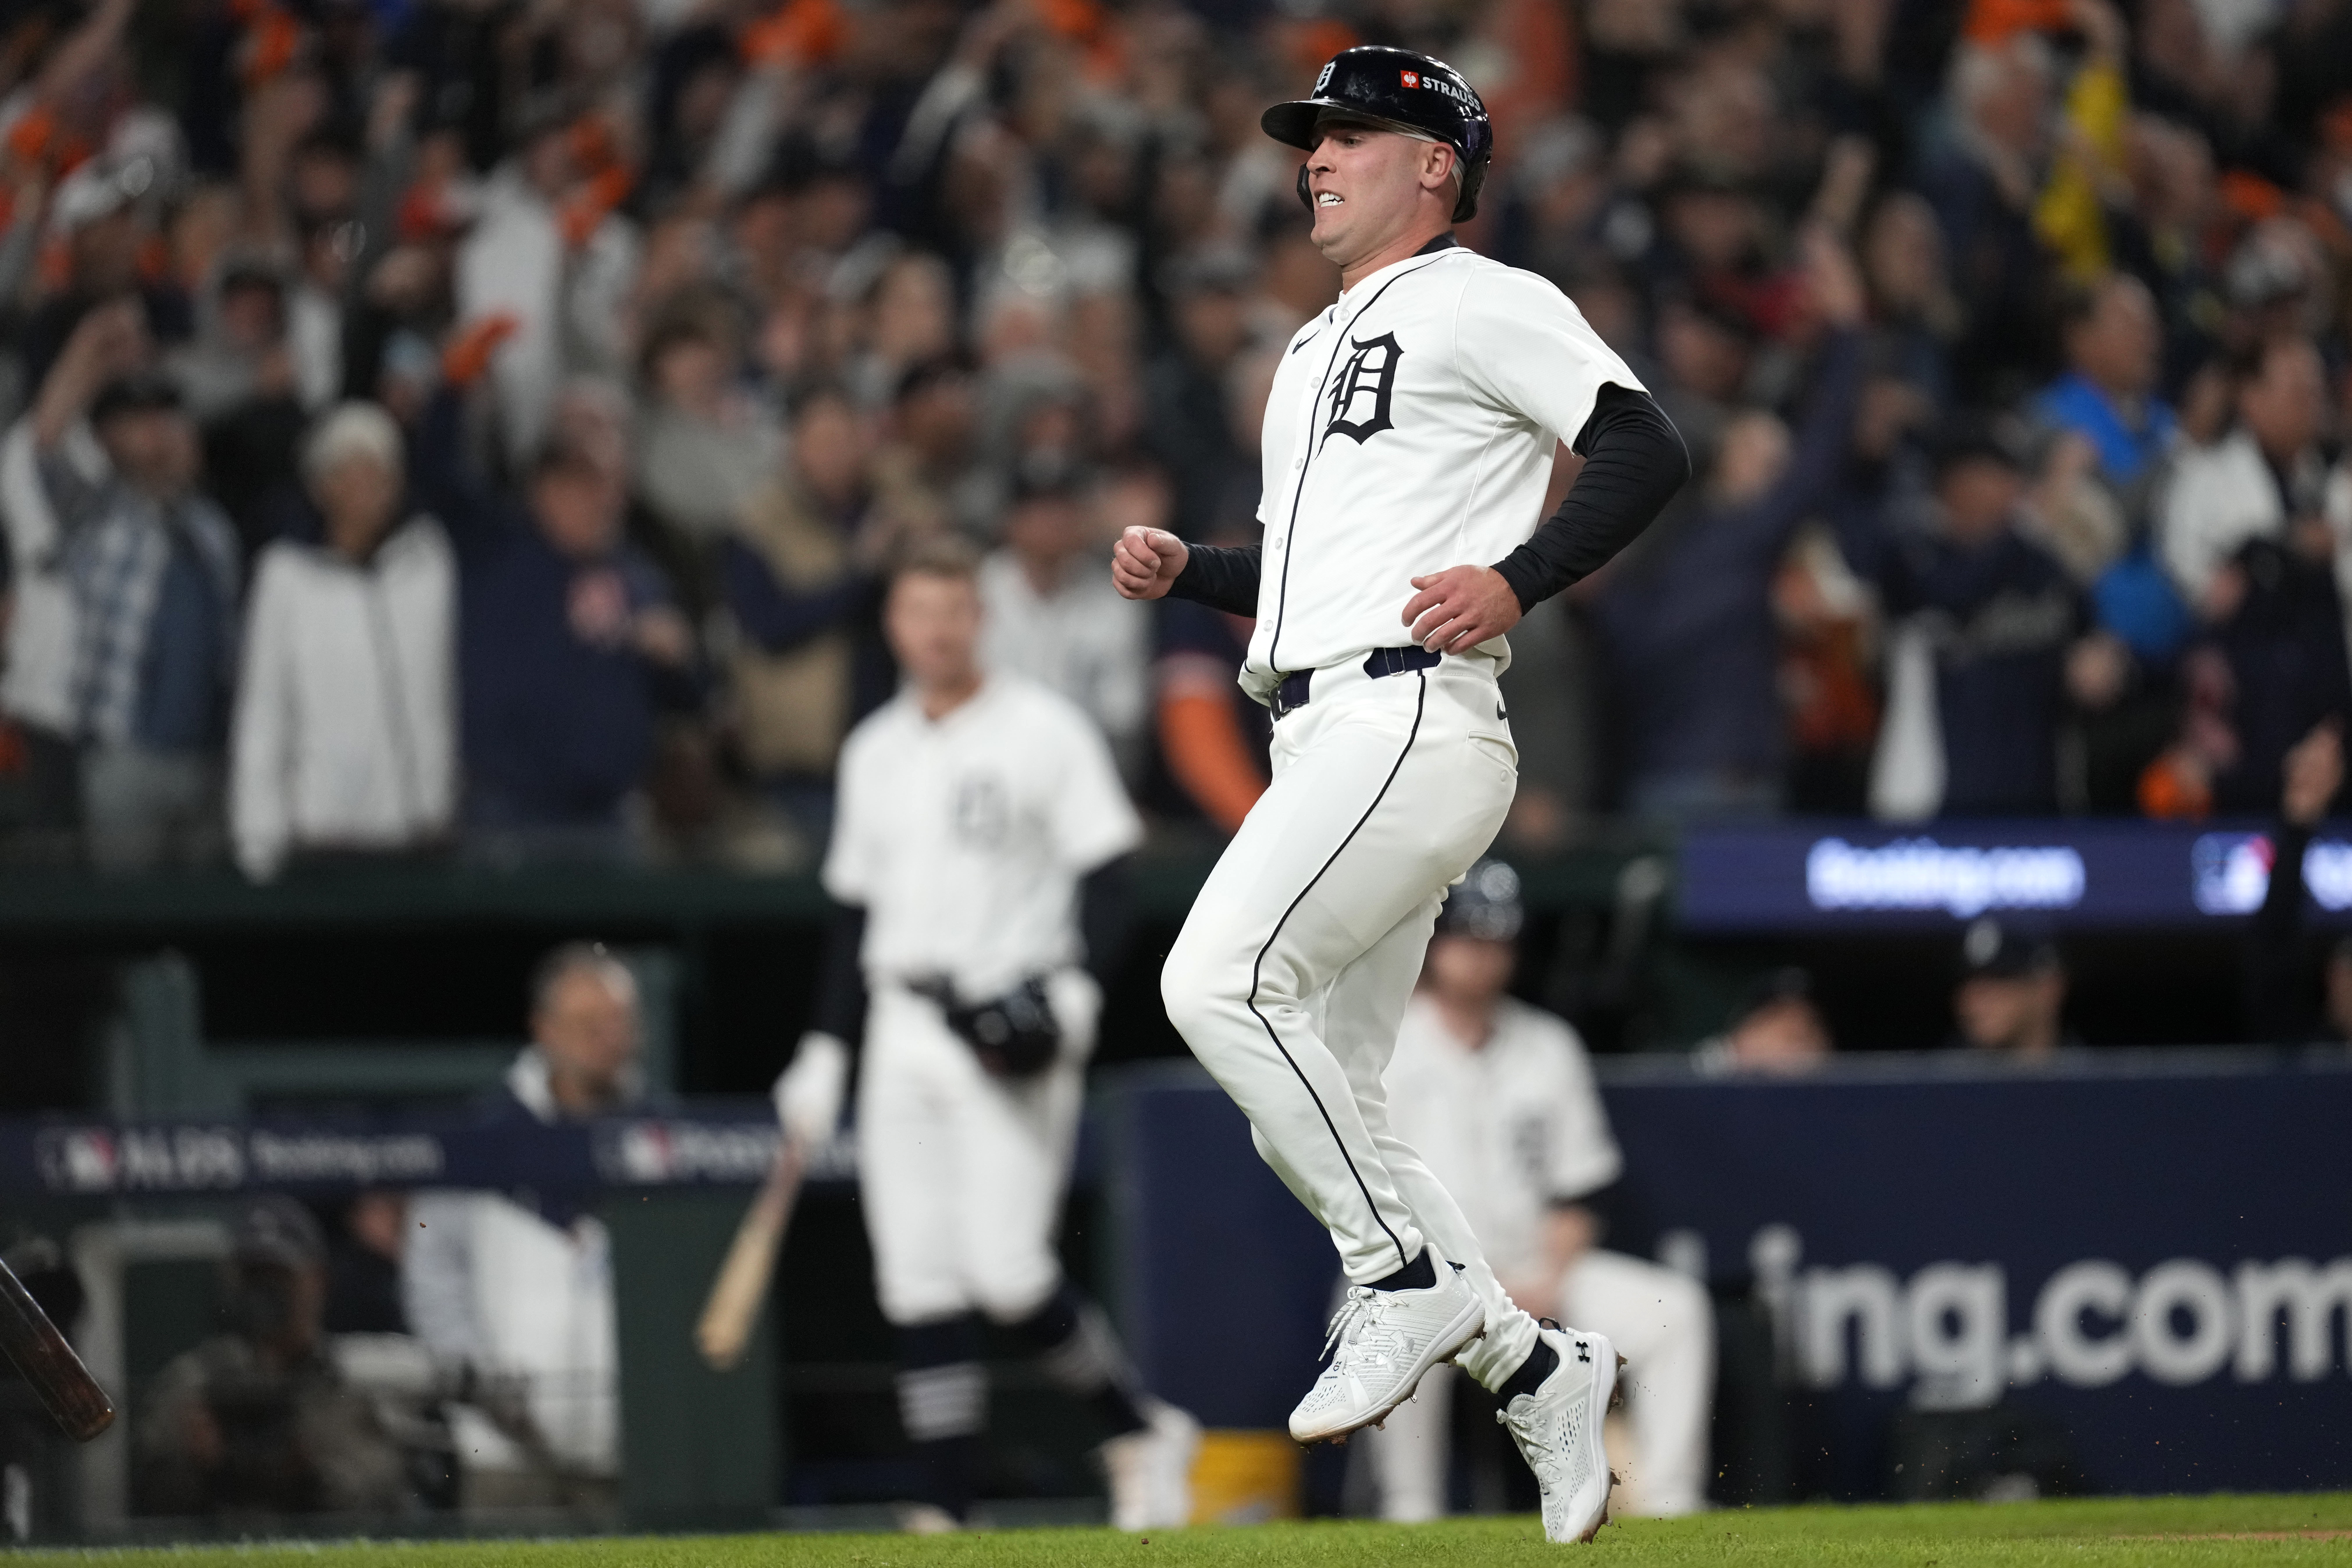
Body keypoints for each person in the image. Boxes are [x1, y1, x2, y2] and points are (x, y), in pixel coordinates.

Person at [1112, 47, 1687, 1544]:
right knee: (1321, 1092)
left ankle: (1408, 1276)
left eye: (1351, 135)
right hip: (1325, 721)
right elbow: (1321, 580)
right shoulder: (1313, 347)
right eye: (1314, 138)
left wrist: (1520, 578)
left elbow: (1644, 443)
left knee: (1219, 981)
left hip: (1412, 719)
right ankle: (1531, 1359)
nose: (1317, 156)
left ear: (1434, 163)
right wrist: (1202, 580)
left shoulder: (1481, 293)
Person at [771, 539, 1195, 1533]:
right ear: (894, 624)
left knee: (1005, 1271)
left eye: (955, 609)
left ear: (981, 617)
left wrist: (1079, 993)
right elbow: (849, 911)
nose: (937, 628)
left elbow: (1110, 875)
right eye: (919, 610)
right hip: (899, 1020)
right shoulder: (873, 746)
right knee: (916, 1274)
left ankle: (1138, 1425)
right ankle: (943, 1505)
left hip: (1008, 1022)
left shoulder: (1043, 730)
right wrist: (823, 1047)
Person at [1366, 861, 1715, 1521]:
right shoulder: (1383, 1046)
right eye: (1468, 938)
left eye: (1497, 941)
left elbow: (1580, 1191)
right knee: (1388, 1315)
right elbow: (1367, 1196)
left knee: (1676, 1310)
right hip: (1430, 1277)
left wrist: (1550, 1277)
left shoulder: (1547, 1046)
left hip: (1535, 1270)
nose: (1482, 956)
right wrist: (1467, 1283)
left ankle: (1671, 1503)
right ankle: (1409, 1511)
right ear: (1433, 944)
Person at [403, 944, 647, 1513]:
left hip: (629, 1448)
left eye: (619, 1023)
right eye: (590, 1024)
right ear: (544, 1029)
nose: (608, 1039)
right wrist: (479, 1381)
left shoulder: (662, 1138)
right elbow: (430, 1267)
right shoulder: (479, 1141)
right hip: (505, 1454)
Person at [9, 304, 241, 871]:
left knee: (204, 926)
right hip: (123, 755)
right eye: (141, 421)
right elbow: (46, 441)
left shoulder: (213, 528)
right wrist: (90, 346)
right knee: (126, 916)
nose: (159, 433)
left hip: (208, 759)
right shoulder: (96, 511)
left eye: (168, 418)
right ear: (109, 438)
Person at [229, 402, 456, 881]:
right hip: (320, 836)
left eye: (382, 472)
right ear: (322, 486)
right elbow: (263, 709)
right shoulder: (287, 578)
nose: (371, 488)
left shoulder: (427, 565)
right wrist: (258, 840)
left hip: (416, 836)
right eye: (355, 472)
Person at [137, 1197, 412, 1518]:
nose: (266, 1291)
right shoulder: (196, 1380)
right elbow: (149, 1496)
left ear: (318, 1280)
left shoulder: (347, 1383)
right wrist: (197, 1462)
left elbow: (384, 1498)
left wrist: (307, 1472)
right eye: (254, 1276)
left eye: (281, 1276)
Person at [978, 468, 1151, 778]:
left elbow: (1123, 724)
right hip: (983, 767)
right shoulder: (976, 592)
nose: (1050, 521)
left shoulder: (1117, 598)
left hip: (1080, 776)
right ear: (1009, 521)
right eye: (1036, 509)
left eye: (1062, 508)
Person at [1951, 919, 2073, 1059]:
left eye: (1999, 978)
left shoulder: (2091, 1072)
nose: (1975, 998)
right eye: (1967, 983)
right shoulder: (1938, 1075)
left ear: (2049, 987)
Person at [1693, 967, 1834, 1076]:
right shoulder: (1709, 1066)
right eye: (1780, 1017)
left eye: (1810, 1022)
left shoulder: (1833, 1083)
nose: (1797, 1029)